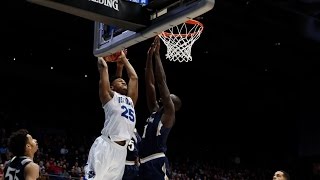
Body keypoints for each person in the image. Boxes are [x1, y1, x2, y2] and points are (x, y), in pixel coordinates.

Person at [84, 50, 138, 180]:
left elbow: (134, 77)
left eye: (123, 81)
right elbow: (103, 67)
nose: (123, 81)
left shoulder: (130, 100)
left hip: (121, 151)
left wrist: (123, 59)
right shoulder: (108, 97)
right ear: (112, 87)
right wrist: (102, 53)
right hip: (106, 146)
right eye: (120, 81)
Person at [139, 36, 182, 180]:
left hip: (156, 161)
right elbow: (149, 83)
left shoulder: (168, 114)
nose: (166, 95)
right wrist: (149, 56)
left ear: (172, 104)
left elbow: (160, 82)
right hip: (143, 161)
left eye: (169, 97)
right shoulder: (155, 110)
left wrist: (157, 55)